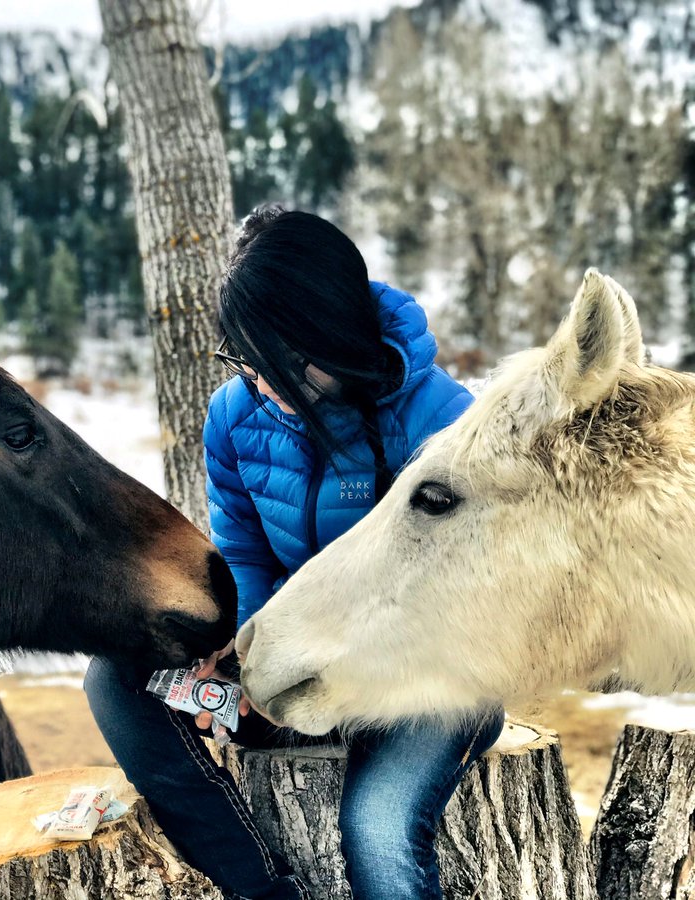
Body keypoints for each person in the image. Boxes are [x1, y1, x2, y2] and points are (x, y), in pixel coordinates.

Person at [85, 206, 505, 900]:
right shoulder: (235, 416)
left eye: (274, 359)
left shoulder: (441, 420)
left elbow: (469, 598)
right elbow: (243, 552)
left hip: (427, 681)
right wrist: (239, 653)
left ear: (328, 333)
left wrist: (317, 661)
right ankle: (262, 889)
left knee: (376, 827)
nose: (259, 381)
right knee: (118, 676)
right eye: (244, 359)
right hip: (294, 665)